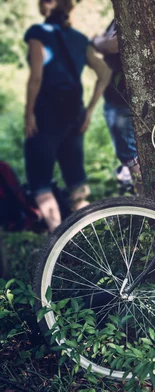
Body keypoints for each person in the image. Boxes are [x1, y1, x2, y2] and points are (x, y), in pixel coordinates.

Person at [24, 0, 111, 232]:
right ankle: (87, 241)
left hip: (46, 113)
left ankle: (58, 245)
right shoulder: (79, 38)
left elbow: (36, 78)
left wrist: (28, 115)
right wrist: (89, 110)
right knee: (76, 182)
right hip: (75, 111)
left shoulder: (37, 33)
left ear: (48, 5)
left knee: (40, 182)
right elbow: (104, 73)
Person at [92, 20, 142, 195]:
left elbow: (112, 45)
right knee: (128, 156)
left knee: (130, 157)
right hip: (116, 100)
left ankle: (149, 209)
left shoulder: (131, 14)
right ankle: (147, 207)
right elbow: (103, 44)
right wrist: (101, 42)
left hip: (123, 102)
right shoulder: (118, 17)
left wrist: (99, 42)